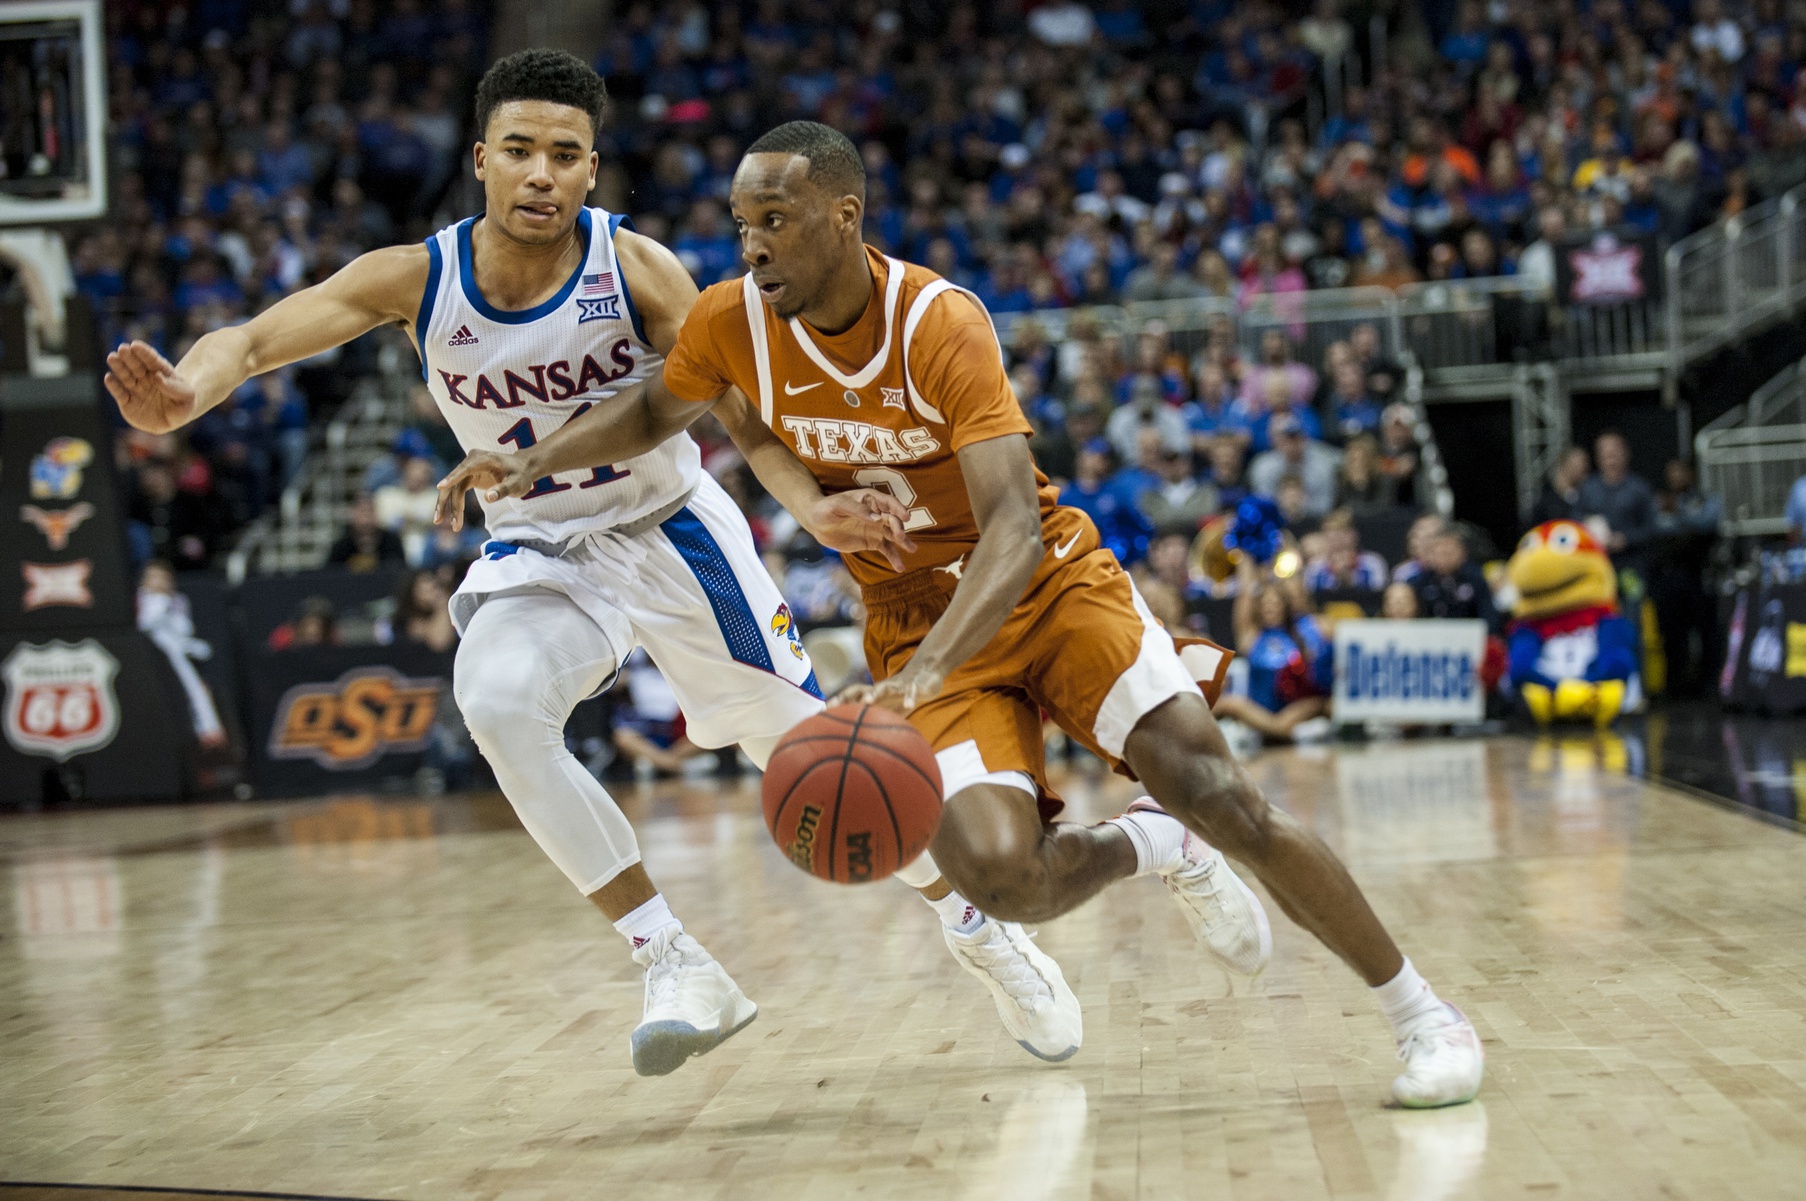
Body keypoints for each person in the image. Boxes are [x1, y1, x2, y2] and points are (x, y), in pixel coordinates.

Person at [513, 120, 1484, 1105]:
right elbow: (652, 413)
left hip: (1042, 581)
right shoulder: (730, 322)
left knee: (1214, 786)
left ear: (844, 219)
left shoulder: (939, 320)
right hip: (905, 610)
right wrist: (532, 458)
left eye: (776, 219)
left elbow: (1013, 526)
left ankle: (1423, 1014)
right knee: (998, 877)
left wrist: (925, 672)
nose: (751, 243)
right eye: (740, 223)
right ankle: (1154, 844)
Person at [105, 52, 918, 1081]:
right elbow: (256, 338)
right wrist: (188, 390)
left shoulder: (638, 268)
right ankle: (671, 958)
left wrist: (811, 505)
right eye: (523, 151)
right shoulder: (414, 277)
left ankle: (977, 918)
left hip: (667, 526)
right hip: (540, 547)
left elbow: (738, 412)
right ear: (483, 160)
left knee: (818, 762)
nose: (543, 173)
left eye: (566, 155)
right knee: (492, 700)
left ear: (592, 171)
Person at [1211, 556, 1334, 744]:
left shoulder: (1302, 632)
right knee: (1230, 704)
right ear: (1258, 608)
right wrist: (1248, 557)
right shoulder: (1251, 636)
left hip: (1294, 710)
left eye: (1276, 603)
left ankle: (1279, 730)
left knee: (1323, 703)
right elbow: (1244, 596)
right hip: (1258, 712)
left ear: (1286, 606)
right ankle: (1283, 731)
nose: (1271, 608)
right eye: (1266, 604)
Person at [1577, 430, 1657, 576]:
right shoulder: (1588, 488)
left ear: (1625, 454)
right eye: (1604, 454)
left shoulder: (1639, 489)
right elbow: (1574, 519)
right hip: (1596, 565)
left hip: (1631, 564)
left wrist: (1626, 539)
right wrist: (1590, 530)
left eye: (1614, 453)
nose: (1610, 459)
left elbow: (1651, 527)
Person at [1250, 413, 1341, 518]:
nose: (1291, 444)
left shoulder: (1321, 465)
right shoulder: (1264, 466)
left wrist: (1299, 507)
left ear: (1304, 438)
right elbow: (1263, 503)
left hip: (1313, 521)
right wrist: (1285, 508)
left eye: (1295, 437)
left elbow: (1326, 504)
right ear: (1276, 441)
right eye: (1286, 438)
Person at [1410, 529, 1501, 632]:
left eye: (1449, 552)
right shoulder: (1417, 583)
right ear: (1431, 554)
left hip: (1467, 639)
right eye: (1440, 552)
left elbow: (1489, 617)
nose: (1444, 558)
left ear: (1462, 553)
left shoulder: (1475, 580)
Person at [328, 491, 408, 570]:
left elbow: (403, 573)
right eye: (362, 512)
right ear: (353, 515)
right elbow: (329, 575)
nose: (366, 520)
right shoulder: (341, 547)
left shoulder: (392, 543)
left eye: (370, 512)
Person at [1531, 446, 1589, 529]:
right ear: (1565, 465)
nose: (1582, 470)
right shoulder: (1547, 500)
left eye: (1584, 466)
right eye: (1576, 466)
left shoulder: (1585, 494)